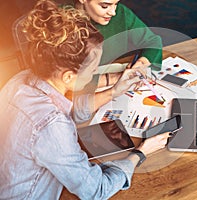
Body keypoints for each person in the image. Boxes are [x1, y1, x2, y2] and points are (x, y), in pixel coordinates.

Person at [0, 0, 169, 199]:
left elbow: (67, 109)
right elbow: (96, 190)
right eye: (91, 71)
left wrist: (113, 92)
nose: (94, 76)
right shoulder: (52, 127)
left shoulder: (19, 81)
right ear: (69, 77)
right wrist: (141, 153)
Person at [73, 0, 163, 89]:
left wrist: (142, 63)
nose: (113, 13)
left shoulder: (121, 13)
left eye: (116, 4)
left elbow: (153, 41)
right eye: (105, 6)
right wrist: (114, 78)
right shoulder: (63, 23)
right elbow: (69, 81)